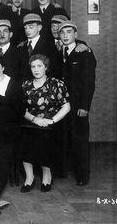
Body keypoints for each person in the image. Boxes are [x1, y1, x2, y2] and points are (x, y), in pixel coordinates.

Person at [20, 54, 71, 193]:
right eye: (33, 66)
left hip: (50, 125)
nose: (36, 69)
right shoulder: (25, 85)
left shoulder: (56, 84)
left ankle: (47, 176)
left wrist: (51, 120)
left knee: (44, 144)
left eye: (39, 66)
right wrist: (35, 119)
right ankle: (29, 178)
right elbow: (21, 110)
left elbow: (66, 107)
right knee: (24, 141)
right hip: (30, 122)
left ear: (46, 67)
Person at [59, 21, 96, 186]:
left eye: (69, 32)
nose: (66, 35)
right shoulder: (60, 53)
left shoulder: (85, 53)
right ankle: (66, 169)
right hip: (62, 105)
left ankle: (83, 175)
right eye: (62, 33)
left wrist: (84, 106)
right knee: (65, 138)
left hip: (78, 105)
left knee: (80, 139)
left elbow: (89, 82)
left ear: (76, 34)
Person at [17, 13, 57, 81]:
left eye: (31, 27)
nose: (27, 30)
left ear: (39, 27)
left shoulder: (49, 46)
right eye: (25, 28)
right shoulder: (20, 47)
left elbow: (54, 68)